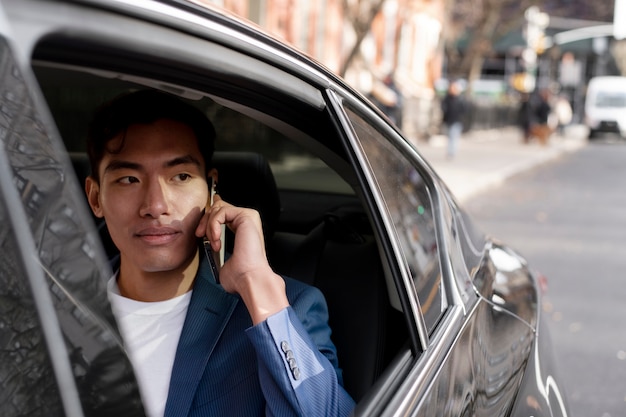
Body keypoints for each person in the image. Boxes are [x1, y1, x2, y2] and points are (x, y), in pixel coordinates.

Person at [84, 90, 355, 417]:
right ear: (96, 197)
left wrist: (256, 284)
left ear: (212, 190)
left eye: (181, 176)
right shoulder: (48, 305)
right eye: (129, 179)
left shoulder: (285, 312)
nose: (155, 206)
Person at [441, 80, 466, 158]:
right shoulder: (447, 98)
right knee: (450, 137)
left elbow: (464, 109)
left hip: (457, 121)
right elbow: (443, 107)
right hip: (448, 120)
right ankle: (450, 151)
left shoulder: (460, 99)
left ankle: (451, 152)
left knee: (453, 137)